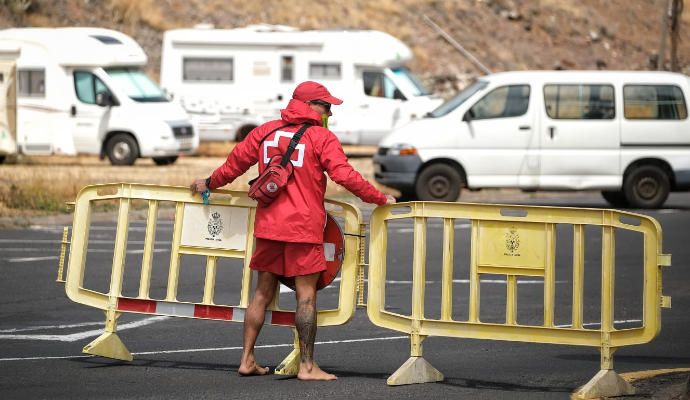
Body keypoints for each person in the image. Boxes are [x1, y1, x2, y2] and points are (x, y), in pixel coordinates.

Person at [190, 81, 395, 381]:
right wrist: (378, 197)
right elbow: (344, 175)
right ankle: (308, 367)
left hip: (269, 226)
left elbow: (234, 164)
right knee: (306, 296)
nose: (330, 113)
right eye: (326, 107)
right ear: (311, 106)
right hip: (303, 228)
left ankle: (247, 359)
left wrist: (209, 183)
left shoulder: (266, 131)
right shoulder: (321, 137)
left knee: (262, 293)